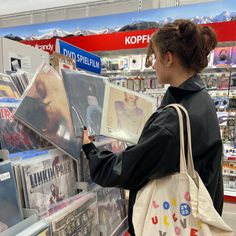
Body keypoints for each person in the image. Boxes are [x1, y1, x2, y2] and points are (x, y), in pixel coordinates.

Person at [82, 19, 222, 235]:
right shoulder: (200, 99)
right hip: (196, 217)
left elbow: (128, 169)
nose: (152, 64)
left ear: (168, 58)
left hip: (173, 223)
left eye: (155, 57)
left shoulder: (173, 121)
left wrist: (92, 152)